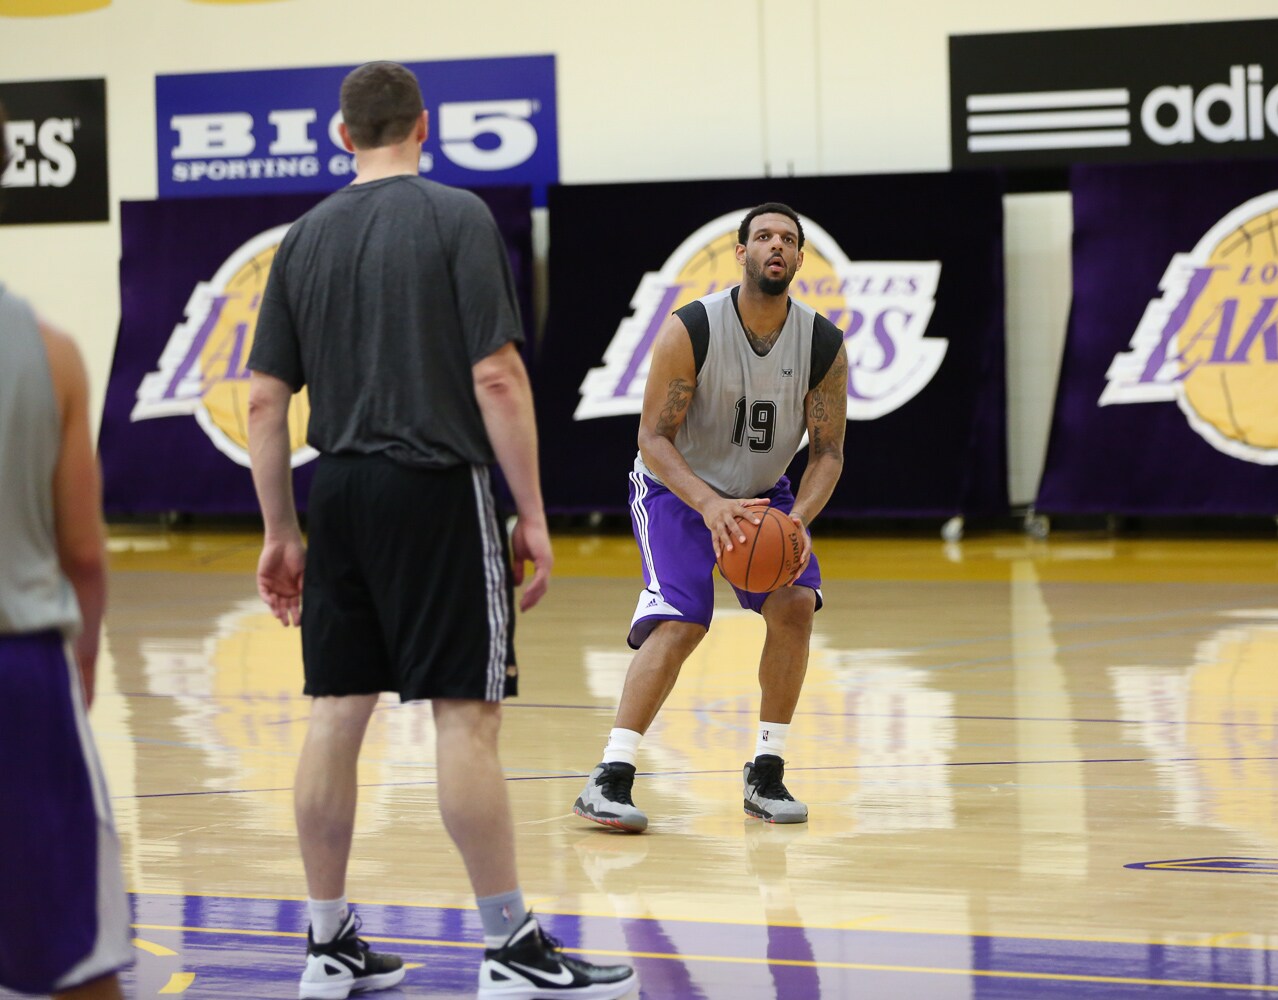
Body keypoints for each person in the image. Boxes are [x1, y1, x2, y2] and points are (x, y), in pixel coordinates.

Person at [246, 62, 636, 1000]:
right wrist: (533, 514)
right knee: (466, 716)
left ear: (343, 137)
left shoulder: (300, 240)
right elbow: (496, 377)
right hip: (435, 488)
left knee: (338, 712)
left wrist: (280, 531)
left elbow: (263, 401)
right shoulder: (456, 216)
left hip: (334, 488)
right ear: (425, 126)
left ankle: (328, 942)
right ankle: (508, 948)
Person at [574, 202, 848, 833]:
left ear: (800, 258)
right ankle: (609, 775)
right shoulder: (692, 328)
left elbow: (829, 453)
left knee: (795, 605)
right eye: (763, 237)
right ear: (742, 253)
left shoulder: (823, 344)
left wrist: (798, 518)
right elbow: (653, 438)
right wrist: (709, 504)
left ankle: (766, 771)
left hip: (763, 495)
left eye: (787, 239)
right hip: (678, 489)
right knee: (680, 622)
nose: (775, 246)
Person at [0, 100, 134, 1000]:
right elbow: (84, 554)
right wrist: (81, 664)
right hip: (17, 675)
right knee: (73, 962)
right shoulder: (46, 351)